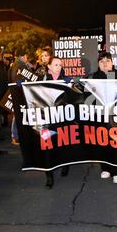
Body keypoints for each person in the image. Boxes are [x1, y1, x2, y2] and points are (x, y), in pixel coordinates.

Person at [87, 51, 117, 184]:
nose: (105, 64)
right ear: (98, 64)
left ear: (112, 62)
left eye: (107, 61)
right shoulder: (92, 77)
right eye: (102, 61)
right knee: (102, 143)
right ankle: (106, 168)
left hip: (116, 116)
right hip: (100, 116)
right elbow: (86, 95)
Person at [40, 56, 72, 188]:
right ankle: (49, 176)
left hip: (62, 119)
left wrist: (71, 84)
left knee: (63, 144)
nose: (59, 67)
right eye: (56, 64)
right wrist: (20, 85)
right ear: (49, 66)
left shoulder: (66, 79)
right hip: (47, 120)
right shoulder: (41, 79)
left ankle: (65, 165)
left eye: (60, 65)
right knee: (46, 146)